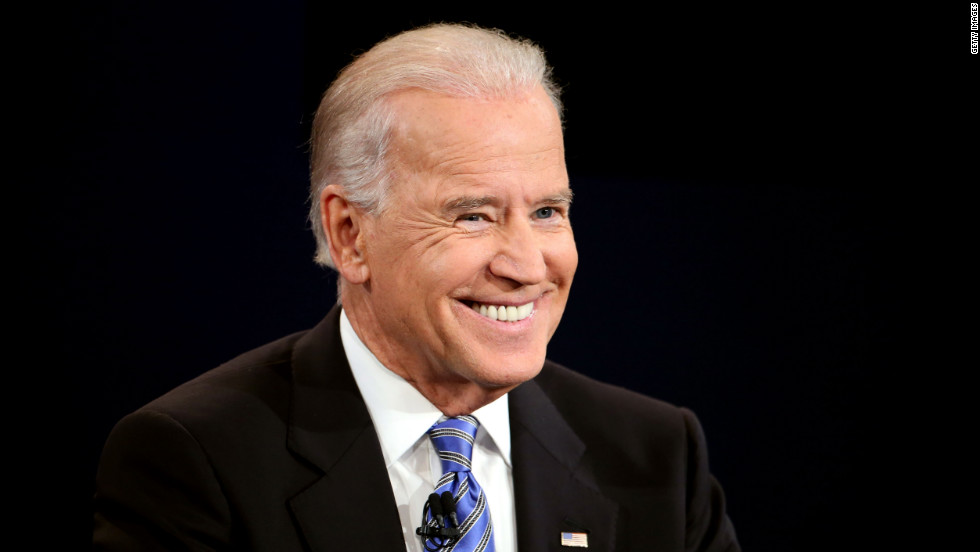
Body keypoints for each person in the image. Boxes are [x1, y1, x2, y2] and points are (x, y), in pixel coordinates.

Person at [93, 23, 739, 552]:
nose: (524, 263)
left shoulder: (657, 461)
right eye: (473, 215)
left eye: (547, 211)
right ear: (349, 234)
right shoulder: (196, 463)